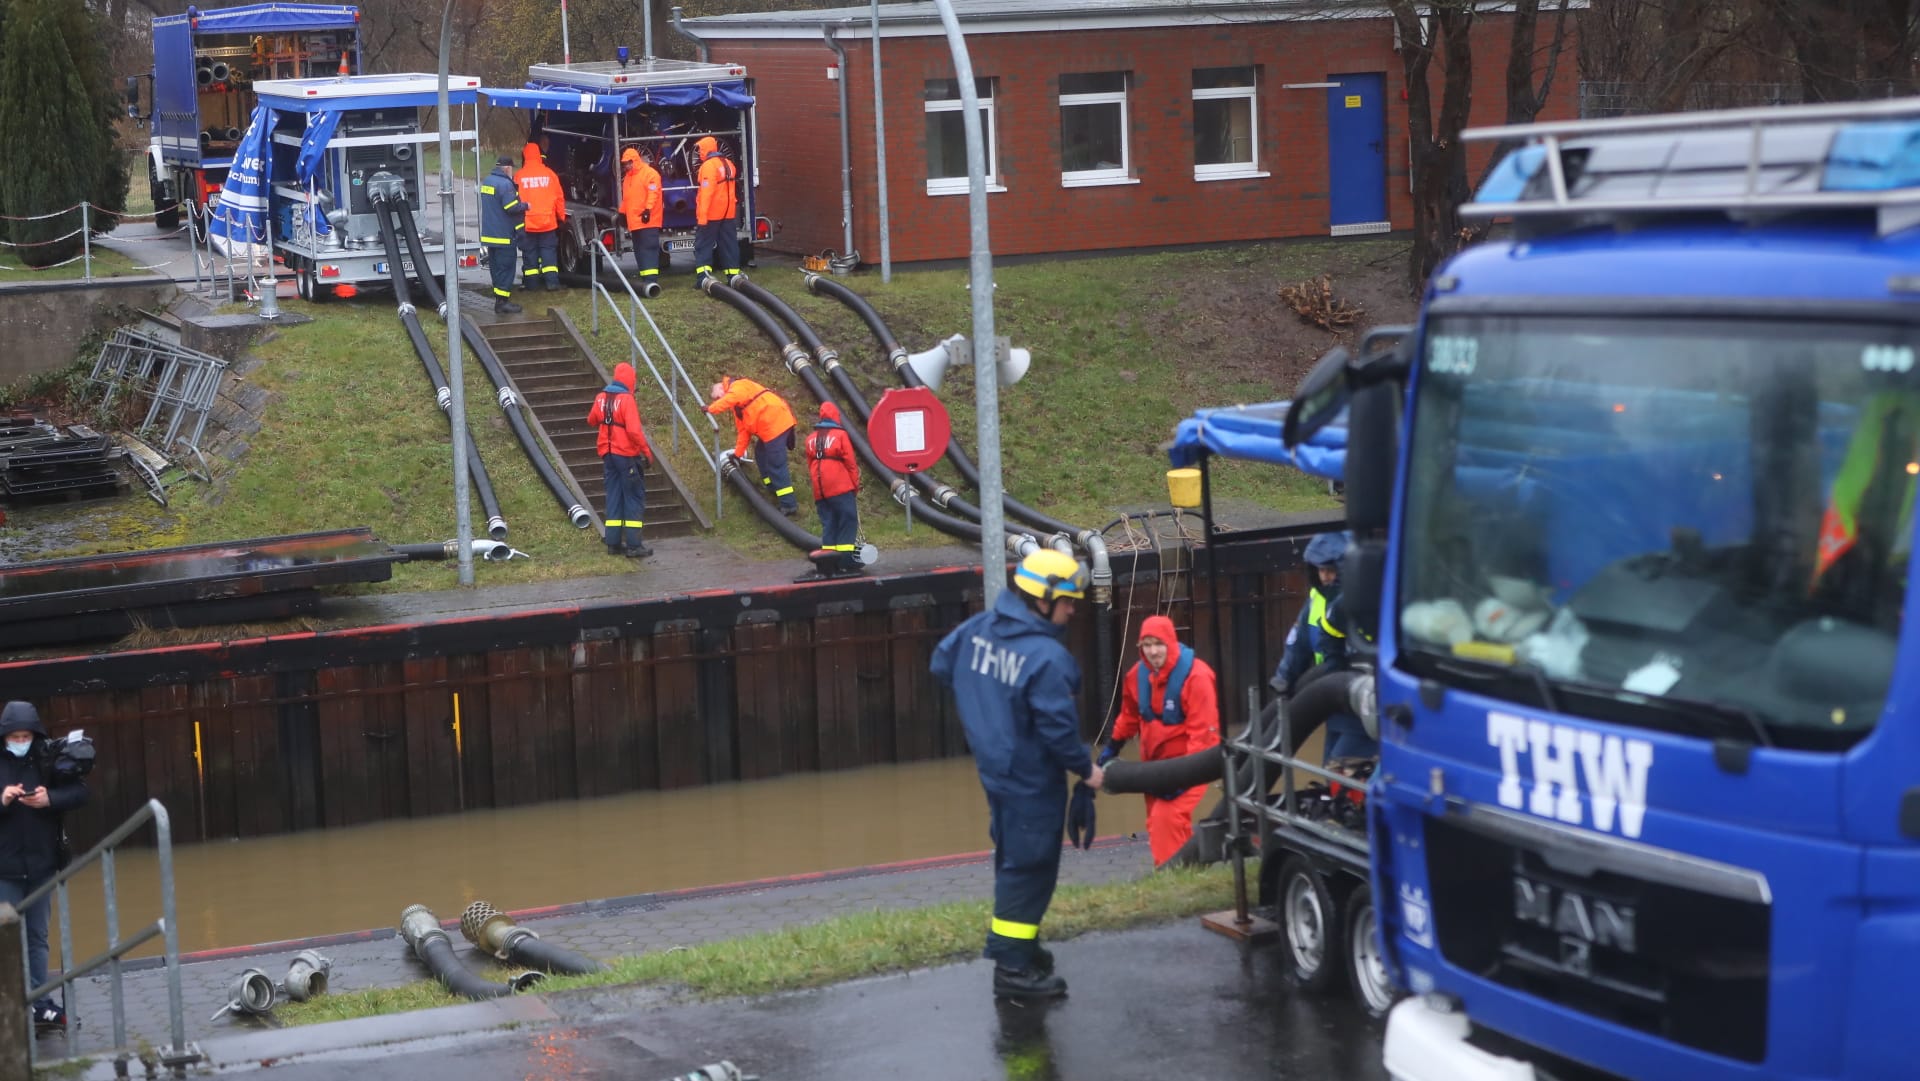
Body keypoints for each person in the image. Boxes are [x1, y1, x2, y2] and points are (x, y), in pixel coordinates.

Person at [931, 551, 1105, 1000]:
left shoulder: (978, 630)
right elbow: (1058, 730)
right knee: (1029, 868)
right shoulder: (1046, 657)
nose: (1072, 609)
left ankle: (1023, 948)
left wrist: (987, 715)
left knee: (1014, 858)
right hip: (1032, 780)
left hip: (997, 770)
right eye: (1067, 601)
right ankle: (1011, 967)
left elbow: (941, 665)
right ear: (1042, 600)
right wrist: (1086, 770)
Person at [1097, 615, 1220, 867]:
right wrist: (1113, 746)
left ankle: (1169, 876)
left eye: (1159, 644)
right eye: (1147, 645)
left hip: (1194, 763)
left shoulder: (1197, 677)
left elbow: (1203, 736)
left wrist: (1186, 777)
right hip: (1153, 767)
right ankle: (1190, 871)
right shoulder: (1136, 677)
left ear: (1171, 643)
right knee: (1158, 821)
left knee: (1166, 818)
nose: (1153, 652)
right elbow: (1129, 716)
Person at [0, 701, 87, 1033]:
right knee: (7, 939)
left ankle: (39, 1002)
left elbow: (80, 792)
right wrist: (3, 799)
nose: (20, 741)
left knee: (37, 937)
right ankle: (11, 1003)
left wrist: (50, 798)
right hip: (4, 869)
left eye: (26, 735)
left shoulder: (48, 758)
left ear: (34, 734)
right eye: (14, 736)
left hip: (40, 866)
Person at [1274, 531, 1375, 762]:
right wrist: (1284, 679)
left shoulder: (1367, 601)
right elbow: (1297, 644)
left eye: (1330, 570)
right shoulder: (1316, 600)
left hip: (1362, 704)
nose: (1325, 577)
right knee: (1329, 768)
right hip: (1331, 701)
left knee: (1342, 771)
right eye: (1320, 570)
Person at [587, 362, 655, 559]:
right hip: (626, 456)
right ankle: (634, 546)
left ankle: (613, 543)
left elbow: (591, 420)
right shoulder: (627, 400)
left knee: (614, 497)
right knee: (633, 497)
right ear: (630, 380)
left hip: (607, 455)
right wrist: (646, 452)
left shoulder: (601, 397)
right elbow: (634, 431)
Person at [707, 376, 798, 517]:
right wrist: (737, 454)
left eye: (718, 397)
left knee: (776, 465)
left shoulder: (737, 387)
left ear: (720, 387)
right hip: (770, 428)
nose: (719, 400)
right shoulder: (739, 407)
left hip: (776, 424)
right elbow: (743, 433)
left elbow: (730, 398)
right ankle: (772, 487)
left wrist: (710, 409)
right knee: (760, 455)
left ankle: (788, 504)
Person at [803, 401, 860, 578]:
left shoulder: (810, 438)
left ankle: (828, 565)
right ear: (836, 416)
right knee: (848, 520)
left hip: (819, 489)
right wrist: (855, 485)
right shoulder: (840, 435)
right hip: (839, 486)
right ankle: (845, 562)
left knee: (829, 524)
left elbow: (810, 463)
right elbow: (850, 462)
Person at [514, 141, 566, 292]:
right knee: (548, 253)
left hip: (528, 223)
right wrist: (561, 217)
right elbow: (559, 198)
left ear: (525, 156)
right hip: (547, 222)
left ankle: (532, 285)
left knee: (530, 254)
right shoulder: (550, 174)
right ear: (539, 155)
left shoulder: (519, 176)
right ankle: (552, 284)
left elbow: (514, 201)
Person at [478, 153, 525, 314]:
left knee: (496, 268)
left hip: (490, 235)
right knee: (506, 268)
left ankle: (499, 299)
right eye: (512, 168)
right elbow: (511, 207)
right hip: (504, 236)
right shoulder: (505, 184)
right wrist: (525, 205)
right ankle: (502, 303)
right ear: (507, 168)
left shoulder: (488, 181)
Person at [693, 135, 740, 285]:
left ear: (707, 149)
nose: (699, 152)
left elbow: (707, 193)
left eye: (700, 149)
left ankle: (703, 278)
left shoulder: (708, 167)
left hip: (712, 214)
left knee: (703, 245)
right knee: (729, 245)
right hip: (728, 213)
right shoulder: (728, 164)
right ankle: (733, 276)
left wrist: (702, 216)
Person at [618, 146, 664, 299]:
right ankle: (646, 280)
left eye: (628, 163)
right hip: (635, 222)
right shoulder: (628, 178)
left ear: (634, 160)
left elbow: (654, 193)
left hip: (648, 221)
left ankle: (651, 281)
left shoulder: (650, 174)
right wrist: (622, 213)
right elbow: (627, 199)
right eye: (624, 164)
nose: (626, 166)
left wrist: (647, 210)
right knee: (639, 251)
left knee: (648, 250)